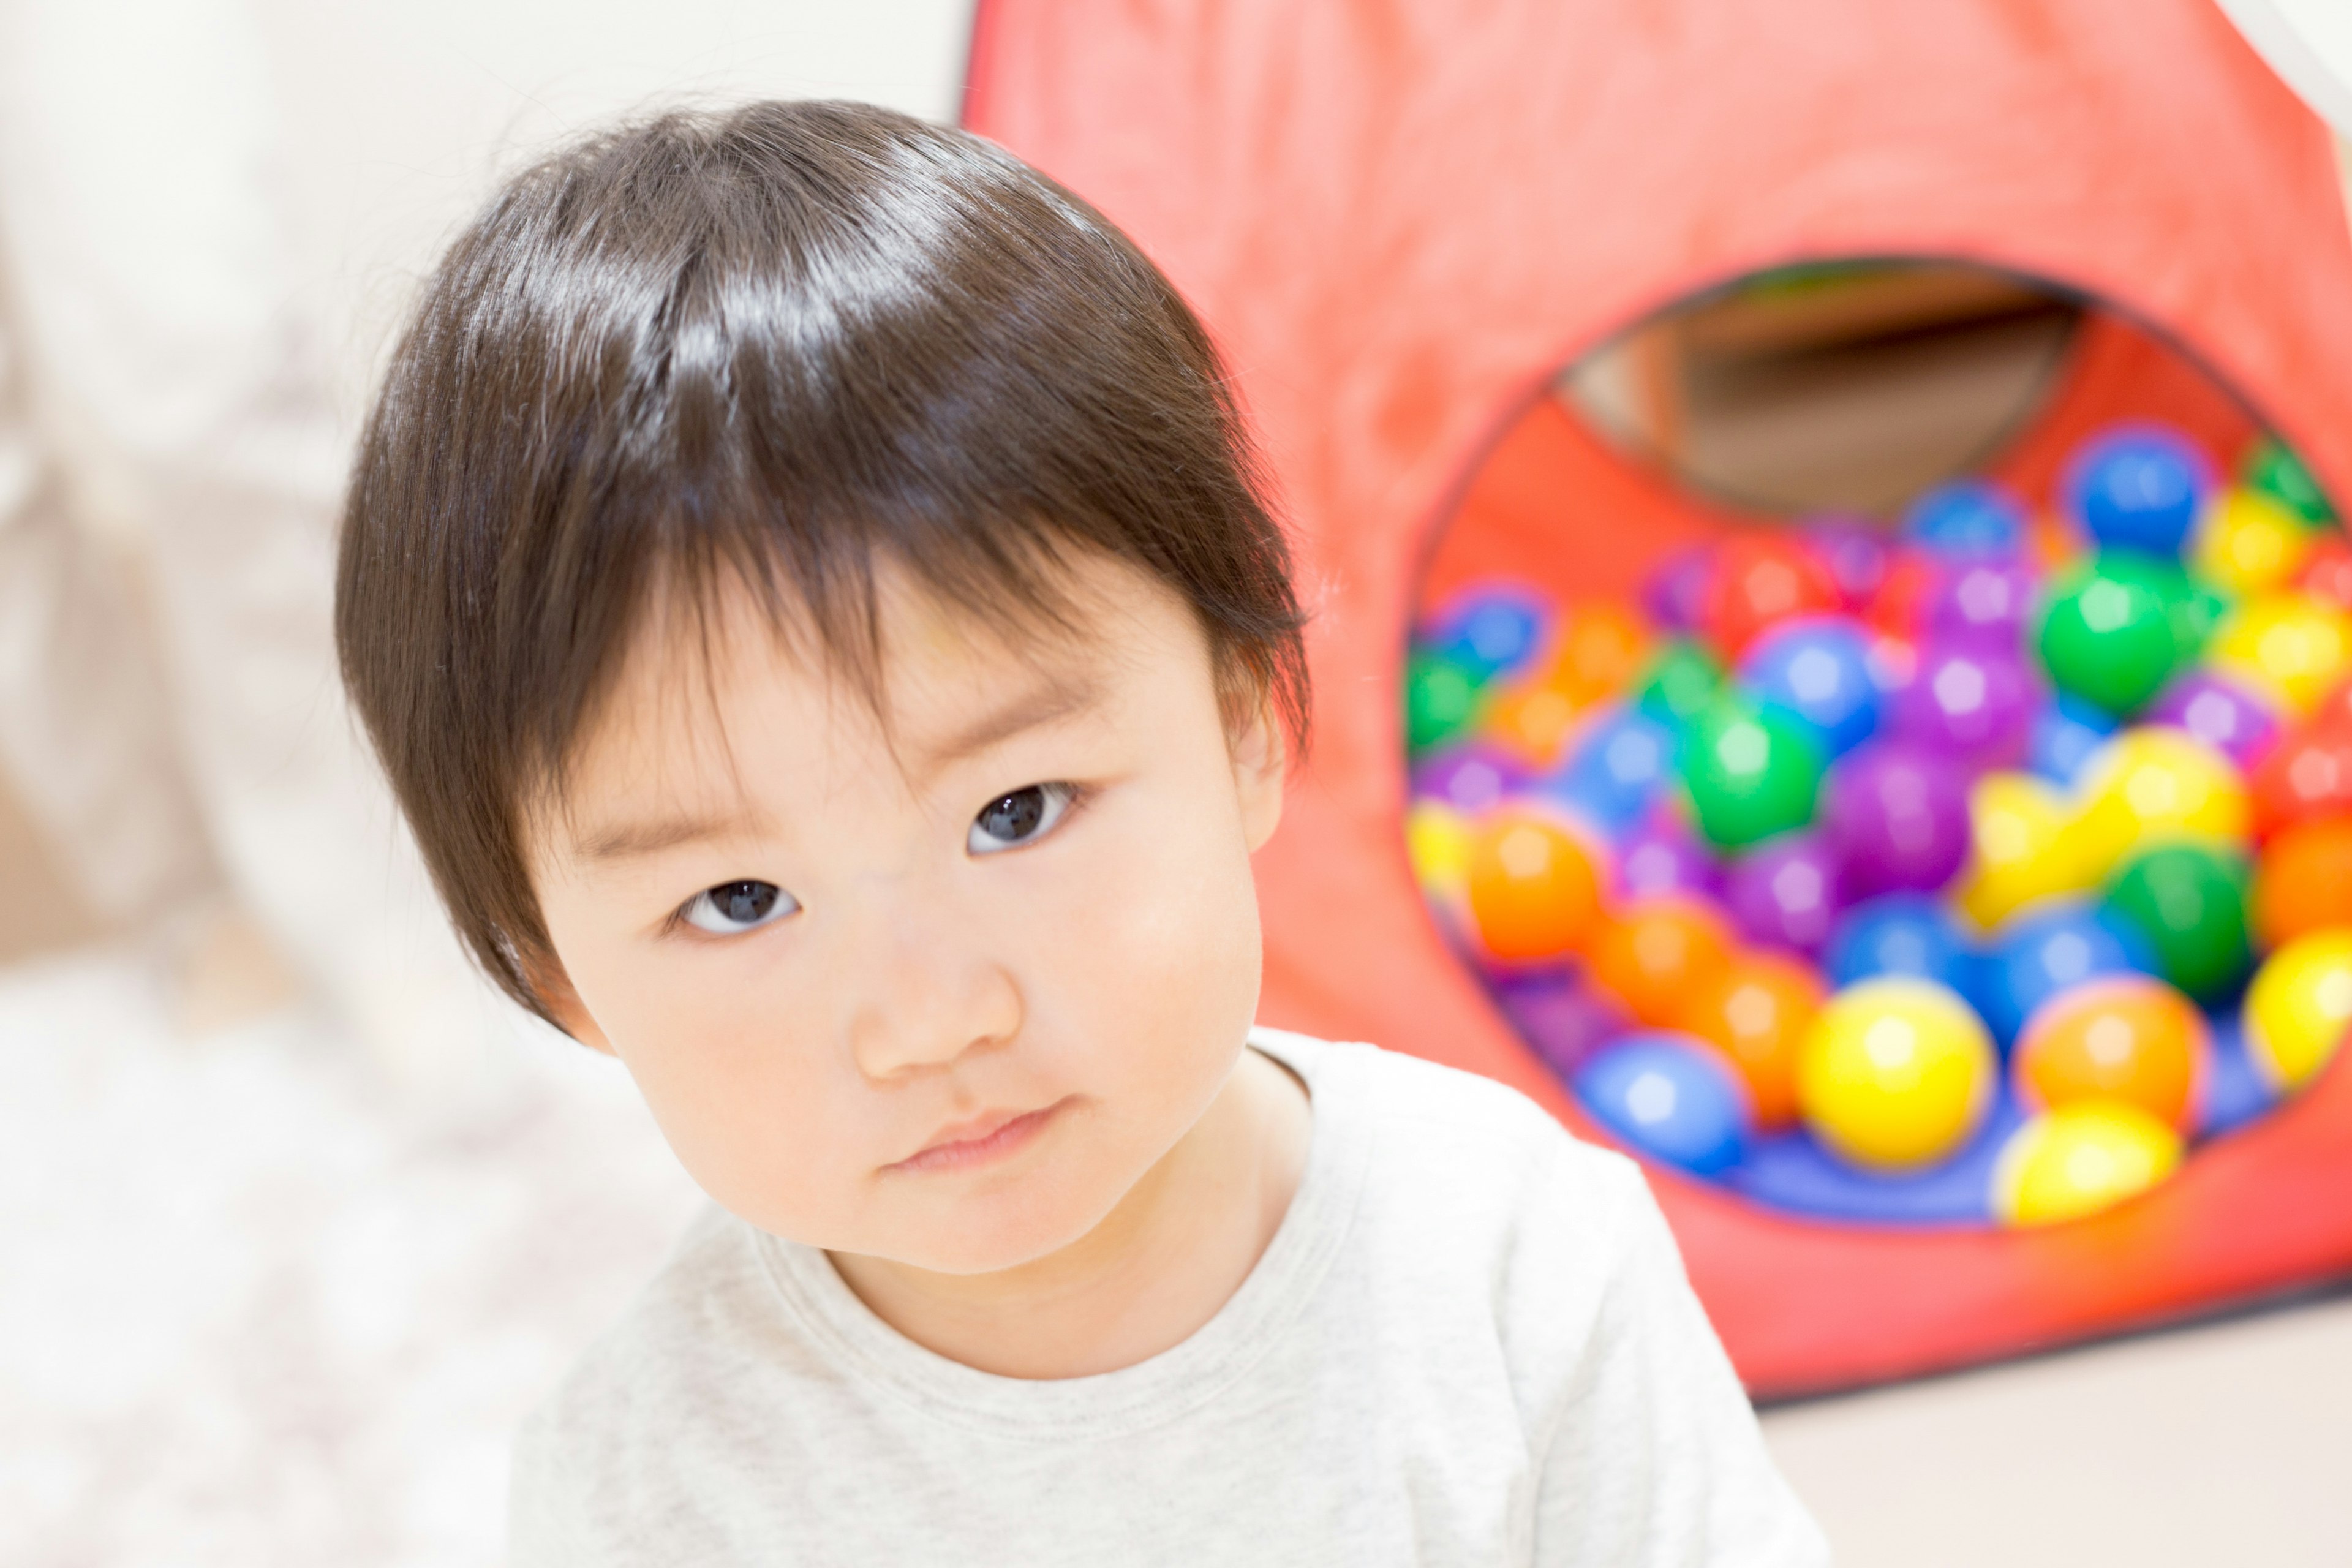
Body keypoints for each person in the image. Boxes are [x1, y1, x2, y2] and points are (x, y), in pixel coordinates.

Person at [333, 99, 1830, 1565]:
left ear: (1246, 719)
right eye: (738, 898)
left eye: (1016, 810)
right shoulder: (648, 1485)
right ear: (564, 982)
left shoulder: (1516, 1266)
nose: (930, 1017)